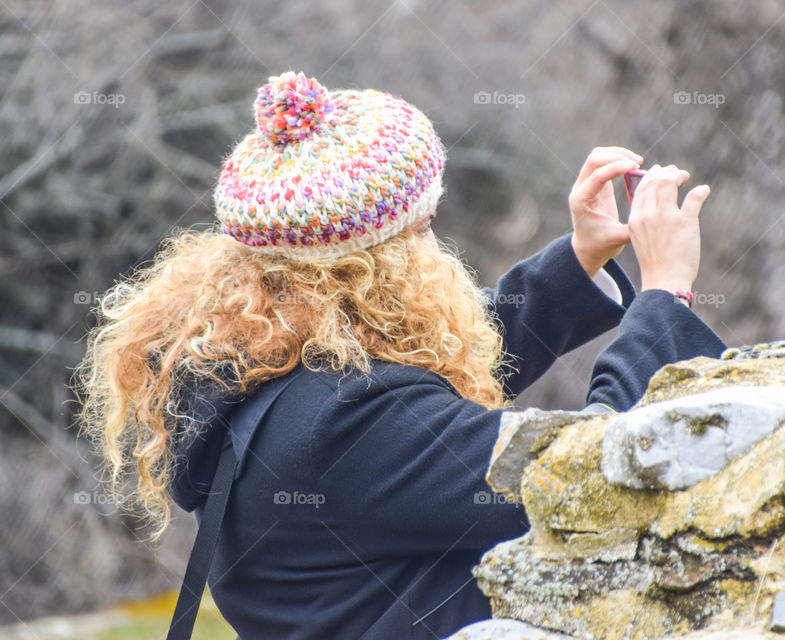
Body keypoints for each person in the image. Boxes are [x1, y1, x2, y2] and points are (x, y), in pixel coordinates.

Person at [75, 71, 725, 639]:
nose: (436, 250)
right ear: (371, 265)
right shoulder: (349, 424)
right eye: (423, 227)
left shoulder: (254, 370)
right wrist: (665, 296)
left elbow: (433, 374)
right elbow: (590, 472)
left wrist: (580, 258)